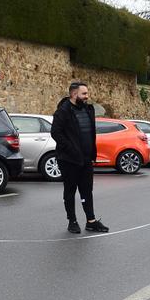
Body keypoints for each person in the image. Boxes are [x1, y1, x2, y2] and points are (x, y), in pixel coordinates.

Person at [51, 81, 108, 234]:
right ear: (74, 94)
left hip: (87, 159)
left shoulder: (89, 110)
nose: (87, 97)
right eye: (84, 94)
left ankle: (91, 221)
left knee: (87, 190)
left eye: (87, 93)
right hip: (69, 160)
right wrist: (71, 149)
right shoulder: (63, 111)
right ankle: (72, 221)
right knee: (70, 191)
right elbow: (56, 133)